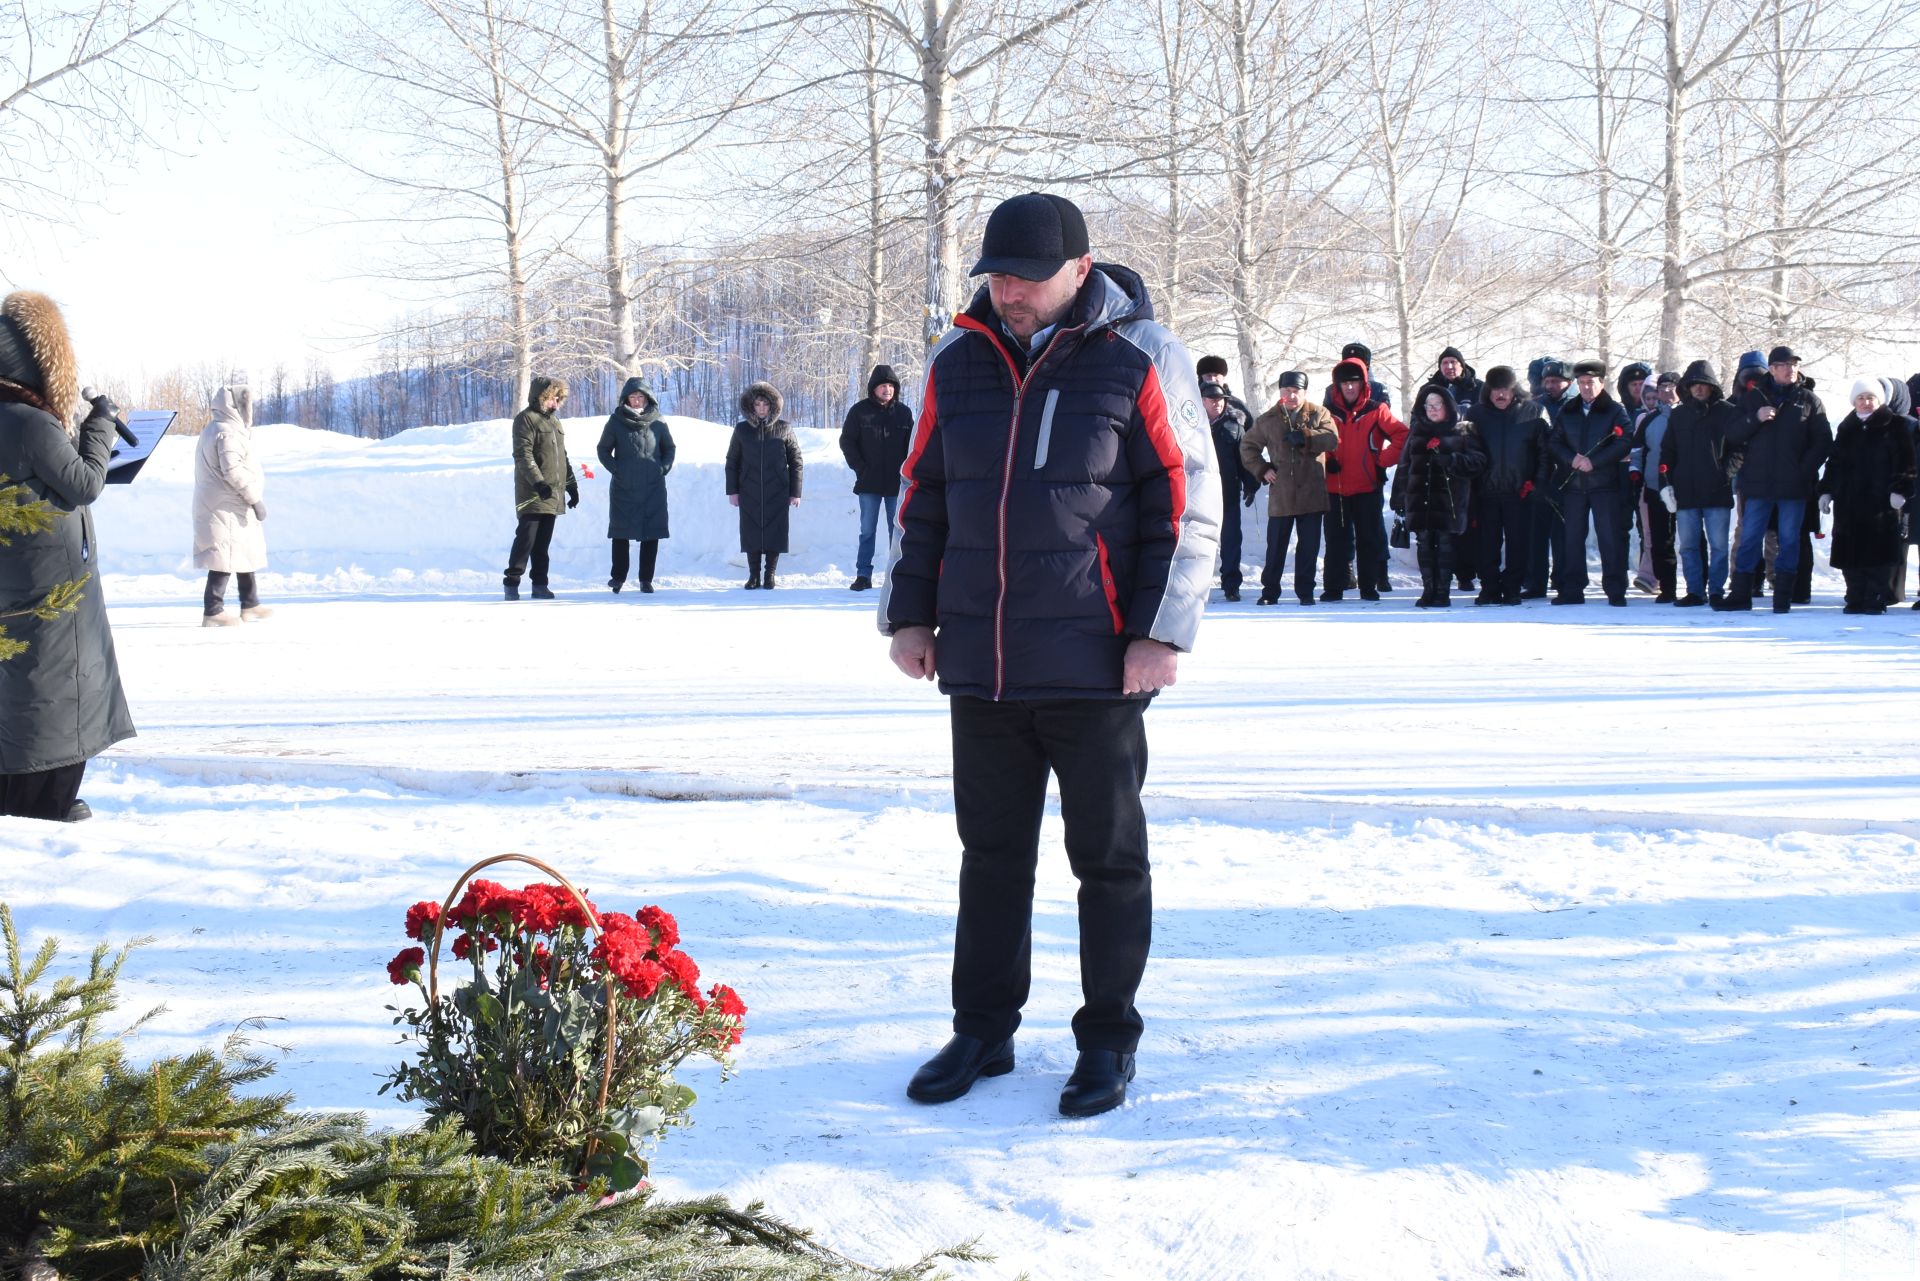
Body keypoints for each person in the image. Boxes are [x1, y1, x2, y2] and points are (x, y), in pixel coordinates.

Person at [878, 192, 1217, 1119]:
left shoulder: (1143, 356)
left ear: (1080, 270)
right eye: (997, 276)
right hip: (981, 661)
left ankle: (1108, 1038)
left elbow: (1186, 504)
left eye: (1026, 278)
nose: (1010, 293)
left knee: (1105, 859)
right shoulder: (959, 360)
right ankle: (982, 1027)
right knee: (989, 854)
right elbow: (923, 497)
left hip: (1098, 664)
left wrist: (1160, 628)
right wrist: (908, 616)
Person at [0, 290, 135, 822]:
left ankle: (19, 794)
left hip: (20, 575)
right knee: (57, 687)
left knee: (21, 686)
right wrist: (101, 422)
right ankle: (45, 800)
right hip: (50, 582)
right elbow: (82, 482)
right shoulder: (28, 421)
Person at [1724, 346, 1831, 613]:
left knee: (1790, 539)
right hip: (1757, 485)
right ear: (1771, 369)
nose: (1791, 369)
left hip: (1793, 487)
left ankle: (1782, 597)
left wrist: (1802, 470)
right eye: (1784, 365)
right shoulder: (1752, 398)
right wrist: (1755, 419)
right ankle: (1740, 594)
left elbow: (1823, 442)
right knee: (1749, 538)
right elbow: (1733, 435)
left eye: (1794, 364)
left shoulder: (1808, 399)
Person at [1238, 370, 1337, 605]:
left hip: (1312, 493)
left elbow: (1332, 438)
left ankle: (1305, 592)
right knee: (1276, 548)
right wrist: (1263, 469)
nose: (1291, 396)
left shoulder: (1319, 413)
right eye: (1287, 391)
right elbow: (1247, 447)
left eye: (1296, 391)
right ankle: (1270, 592)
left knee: (1309, 548)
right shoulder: (1268, 419)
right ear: (1281, 392)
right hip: (1281, 494)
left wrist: (1306, 437)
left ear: (1304, 392)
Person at [1818, 380, 1914, 614]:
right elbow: (1835, 462)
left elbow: (1906, 461)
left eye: (1870, 397)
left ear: (1879, 400)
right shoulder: (1847, 426)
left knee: (1877, 554)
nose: (1865, 402)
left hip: (1880, 503)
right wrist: (1826, 491)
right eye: (1861, 398)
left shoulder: (1895, 425)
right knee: (1850, 554)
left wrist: (1901, 489)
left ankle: (1875, 598)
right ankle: (1855, 596)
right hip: (1849, 502)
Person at [1392, 384, 1488, 607]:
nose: (1433, 409)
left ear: (1448, 405)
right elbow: (1404, 466)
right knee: (1424, 544)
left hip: (1449, 501)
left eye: (1437, 405)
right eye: (1429, 405)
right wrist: (1398, 498)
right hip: (1420, 499)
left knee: (1446, 545)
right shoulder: (1417, 430)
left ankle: (1442, 591)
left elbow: (1478, 461)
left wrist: (1452, 460)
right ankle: (1428, 590)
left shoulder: (1463, 429)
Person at [1546, 359, 1634, 605]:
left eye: (1591, 383)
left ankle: (1615, 589)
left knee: (1610, 538)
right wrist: (1571, 458)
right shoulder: (1569, 410)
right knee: (1572, 538)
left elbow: (1625, 440)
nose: (1586, 387)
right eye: (1582, 383)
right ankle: (1572, 588)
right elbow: (1554, 441)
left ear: (1602, 383)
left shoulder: (1614, 410)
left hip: (1605, 484)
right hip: (1574, 485)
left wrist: (1595, 461)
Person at [1321, 354, 1407, 602]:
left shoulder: (1377, 410)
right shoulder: (1326, 412)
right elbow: (1312, 441)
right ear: (1337, 385)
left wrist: (1381, 462)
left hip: (1367, 486)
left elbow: (1403, 437)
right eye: (1345, 382)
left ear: (1363, 383)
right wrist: (1328, 459)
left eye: (1354, 381)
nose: (1349, 386)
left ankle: (1368, 587)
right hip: (1334, 487)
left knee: (1368, 540)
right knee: (1336, 541)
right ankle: (1333, 588)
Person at [1658, 361, 1740, 607]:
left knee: (1718, 546)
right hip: (1686, 491)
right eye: (1694, 385)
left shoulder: (1727, 412)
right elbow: (1667, 451)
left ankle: (1716, 590)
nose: (1699, 389)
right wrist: (1666, 483)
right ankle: (1695, 591)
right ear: (1688, 387)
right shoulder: (1679, 414)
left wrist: (1725, 473)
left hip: (1717, 491)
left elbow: (1739, 449)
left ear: (1711, 387)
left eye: (1703, 385)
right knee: (1689, 546)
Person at [1465, 366, 1548, 605]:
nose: (1500, 395)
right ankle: (1489, 588)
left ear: (1514, 390)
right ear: (1488, 390)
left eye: (1505, 390)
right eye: (1495, 390)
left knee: (1518, 544)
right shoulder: (1475, 414)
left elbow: (1545, 453)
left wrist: (1537, 484)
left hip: (1520, 492)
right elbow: (1466, 449)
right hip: (1485, 492)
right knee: (1486, 545)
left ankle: (1512, 588)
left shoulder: (1534, 412)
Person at [192, 385, 272, 626]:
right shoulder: (227, 433)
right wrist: (255, 498)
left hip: (228, 504)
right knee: (223, 556)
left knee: (241, 553)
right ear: (236, 408)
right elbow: (233, 470)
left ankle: (250, 604)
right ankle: (213, 611)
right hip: (225, 505)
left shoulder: (217, 428)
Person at [837, 364, 913, 592]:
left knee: (896, 530)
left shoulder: (904, 413)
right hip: (868, 482)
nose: (887, 390)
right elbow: (847, 441)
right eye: (883, 386)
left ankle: (895, 575)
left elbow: (912, 446)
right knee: (867, 530)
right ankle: (863, 575)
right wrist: (860, 468)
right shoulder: (859, 411)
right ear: (874, 389)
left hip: (896, 483)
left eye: (891, 386)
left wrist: (907, 472)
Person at [596, 377, 675, 594]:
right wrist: (617, 470)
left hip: (653, 487)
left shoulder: (658, 420)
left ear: (647, 398)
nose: (637, 401)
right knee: (621, 533)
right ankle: (618, 577)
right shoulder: (615, 421)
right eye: (633, 397)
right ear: (626, 399)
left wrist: (662, 468)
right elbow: (603, 450)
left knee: (651, 533)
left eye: (641, 396)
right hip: (624, 487)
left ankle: (646, 580)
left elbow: (669, 448)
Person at [505, 376, 577, 600]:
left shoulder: (555, 423)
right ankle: (512, 581)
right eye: (551, 399)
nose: (555, 404)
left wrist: (571, 486)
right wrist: (538, 483)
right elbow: (523, 455)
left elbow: (562, 458)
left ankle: (540, 584)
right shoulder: (525, 419)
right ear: (540, 397)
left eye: (558, 399)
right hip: (532, 492)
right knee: (527, 539)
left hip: (552, 493)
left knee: (542, 544)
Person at [727, 382, 804, 589]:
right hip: (749, 490)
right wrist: (733, 491)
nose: (761, 408)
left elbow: (796, 460)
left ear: (772, 406)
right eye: (757, 404)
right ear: (751, 407)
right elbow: (732, 461)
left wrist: (795, 492)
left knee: (774, 532)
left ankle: (769, 575)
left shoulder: (784, 428)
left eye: (765, 404)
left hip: (777, 490)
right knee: (751, 532)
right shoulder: (742, 430)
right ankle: (753, 576)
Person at [1197, 360, 1258, 600]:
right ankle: (1197, 585)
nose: (1212, 379)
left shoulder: (1237, 411)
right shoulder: (1185, 406)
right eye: (1207, 375)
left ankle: (1231, 584)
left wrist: (1252, 481)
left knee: (1231, 539)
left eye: (1216, 375)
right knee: (1198, 543)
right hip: (1197, 492)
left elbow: (1247, 449)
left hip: (1228, 489)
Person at [1522, 358, 1574, 598]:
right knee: (1535, 533)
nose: (1550, 385)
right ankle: (1535, 582)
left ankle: (1563, 579)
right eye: (1547, 381)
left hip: (1567, 477)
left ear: (1568, 382)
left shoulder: (1575, 406)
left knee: (1563, 534)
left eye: (1556, 381)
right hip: (1540, 477)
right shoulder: (1534, 406)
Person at [1629, 372, 1678, 602]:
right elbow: (1637, 451)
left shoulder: (1688, 416)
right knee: (1660, 540)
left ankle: (1699, 588)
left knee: (1691, 540)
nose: (1667, 391)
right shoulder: (1648, 420)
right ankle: (1666, 587)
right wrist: (1636, 474)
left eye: (1672, 386)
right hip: (1654, 487)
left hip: (1686, 488)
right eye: (1663, 387)